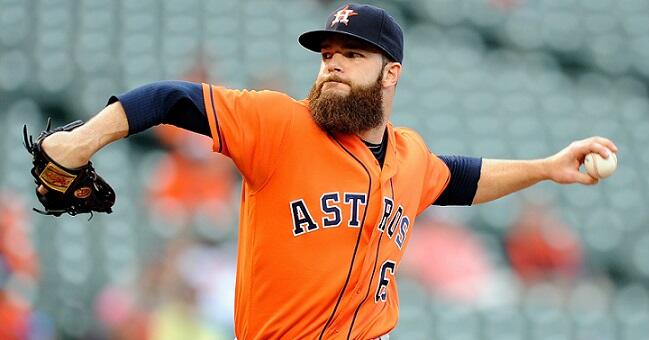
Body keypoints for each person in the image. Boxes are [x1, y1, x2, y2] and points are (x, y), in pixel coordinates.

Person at [34, 3, 618, 339]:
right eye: (327, 57)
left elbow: (461, 178)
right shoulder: (279, 125)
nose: (332, 67)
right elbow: (171, 99)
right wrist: (81, 141)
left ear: (391, 74)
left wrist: (546, 168)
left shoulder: (412, 158)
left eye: (352, 56)